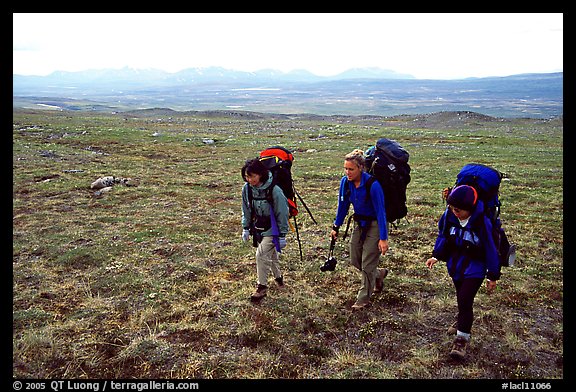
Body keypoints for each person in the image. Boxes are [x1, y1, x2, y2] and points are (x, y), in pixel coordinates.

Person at [425, 185, 501, 360]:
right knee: (461, 296)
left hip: (475, 267)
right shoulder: (449, 216)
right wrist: (436, 255)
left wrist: (492, 274)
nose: (454, 212)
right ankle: (462, 320)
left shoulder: (482, 222)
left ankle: (461, 340)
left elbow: (491, 249)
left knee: (465, 299)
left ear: (470, 208)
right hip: (456, 264)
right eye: (451, 208)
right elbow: (443, 235)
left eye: (458, 210)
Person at [330, 149, 389, 310]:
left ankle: (363, 299)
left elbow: (381, 212)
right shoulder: (345, 183)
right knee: (355, 259)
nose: (347, 172)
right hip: (359, 223)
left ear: (361, 168)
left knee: (368, 263)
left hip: (376, 224)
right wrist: (336, 226)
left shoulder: (373, 185)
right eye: (346, 169)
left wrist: (383, 238)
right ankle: (379, 274)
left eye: (351, 169)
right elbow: (343, 206)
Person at [241, 158, 289, 302]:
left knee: (261, 254)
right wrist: (246, 227)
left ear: (260, 174)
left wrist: (282, 235)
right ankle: (279, 279)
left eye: (252, 176)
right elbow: (246, 208)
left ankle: (261, 288)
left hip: (273, 228)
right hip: (259, 227)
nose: (249, 180)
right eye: (247, 176)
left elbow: (282, 212)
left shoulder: (274, 190)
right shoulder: (247, 189)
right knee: (271, 253)